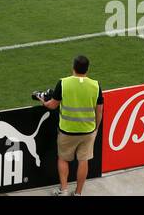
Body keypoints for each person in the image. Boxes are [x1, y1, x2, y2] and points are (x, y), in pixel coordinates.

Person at [35, 54, 103, 196]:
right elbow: (99, 110)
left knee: (63, 158)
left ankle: (64, 190)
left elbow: (53, 105)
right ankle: (78, 193)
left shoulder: (63, 83)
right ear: (87, 69)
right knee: (83, 160)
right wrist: (95, 128)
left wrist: (43, 101)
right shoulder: (96, 85)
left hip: (67, 130)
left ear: (73, 67)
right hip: (88, 131)